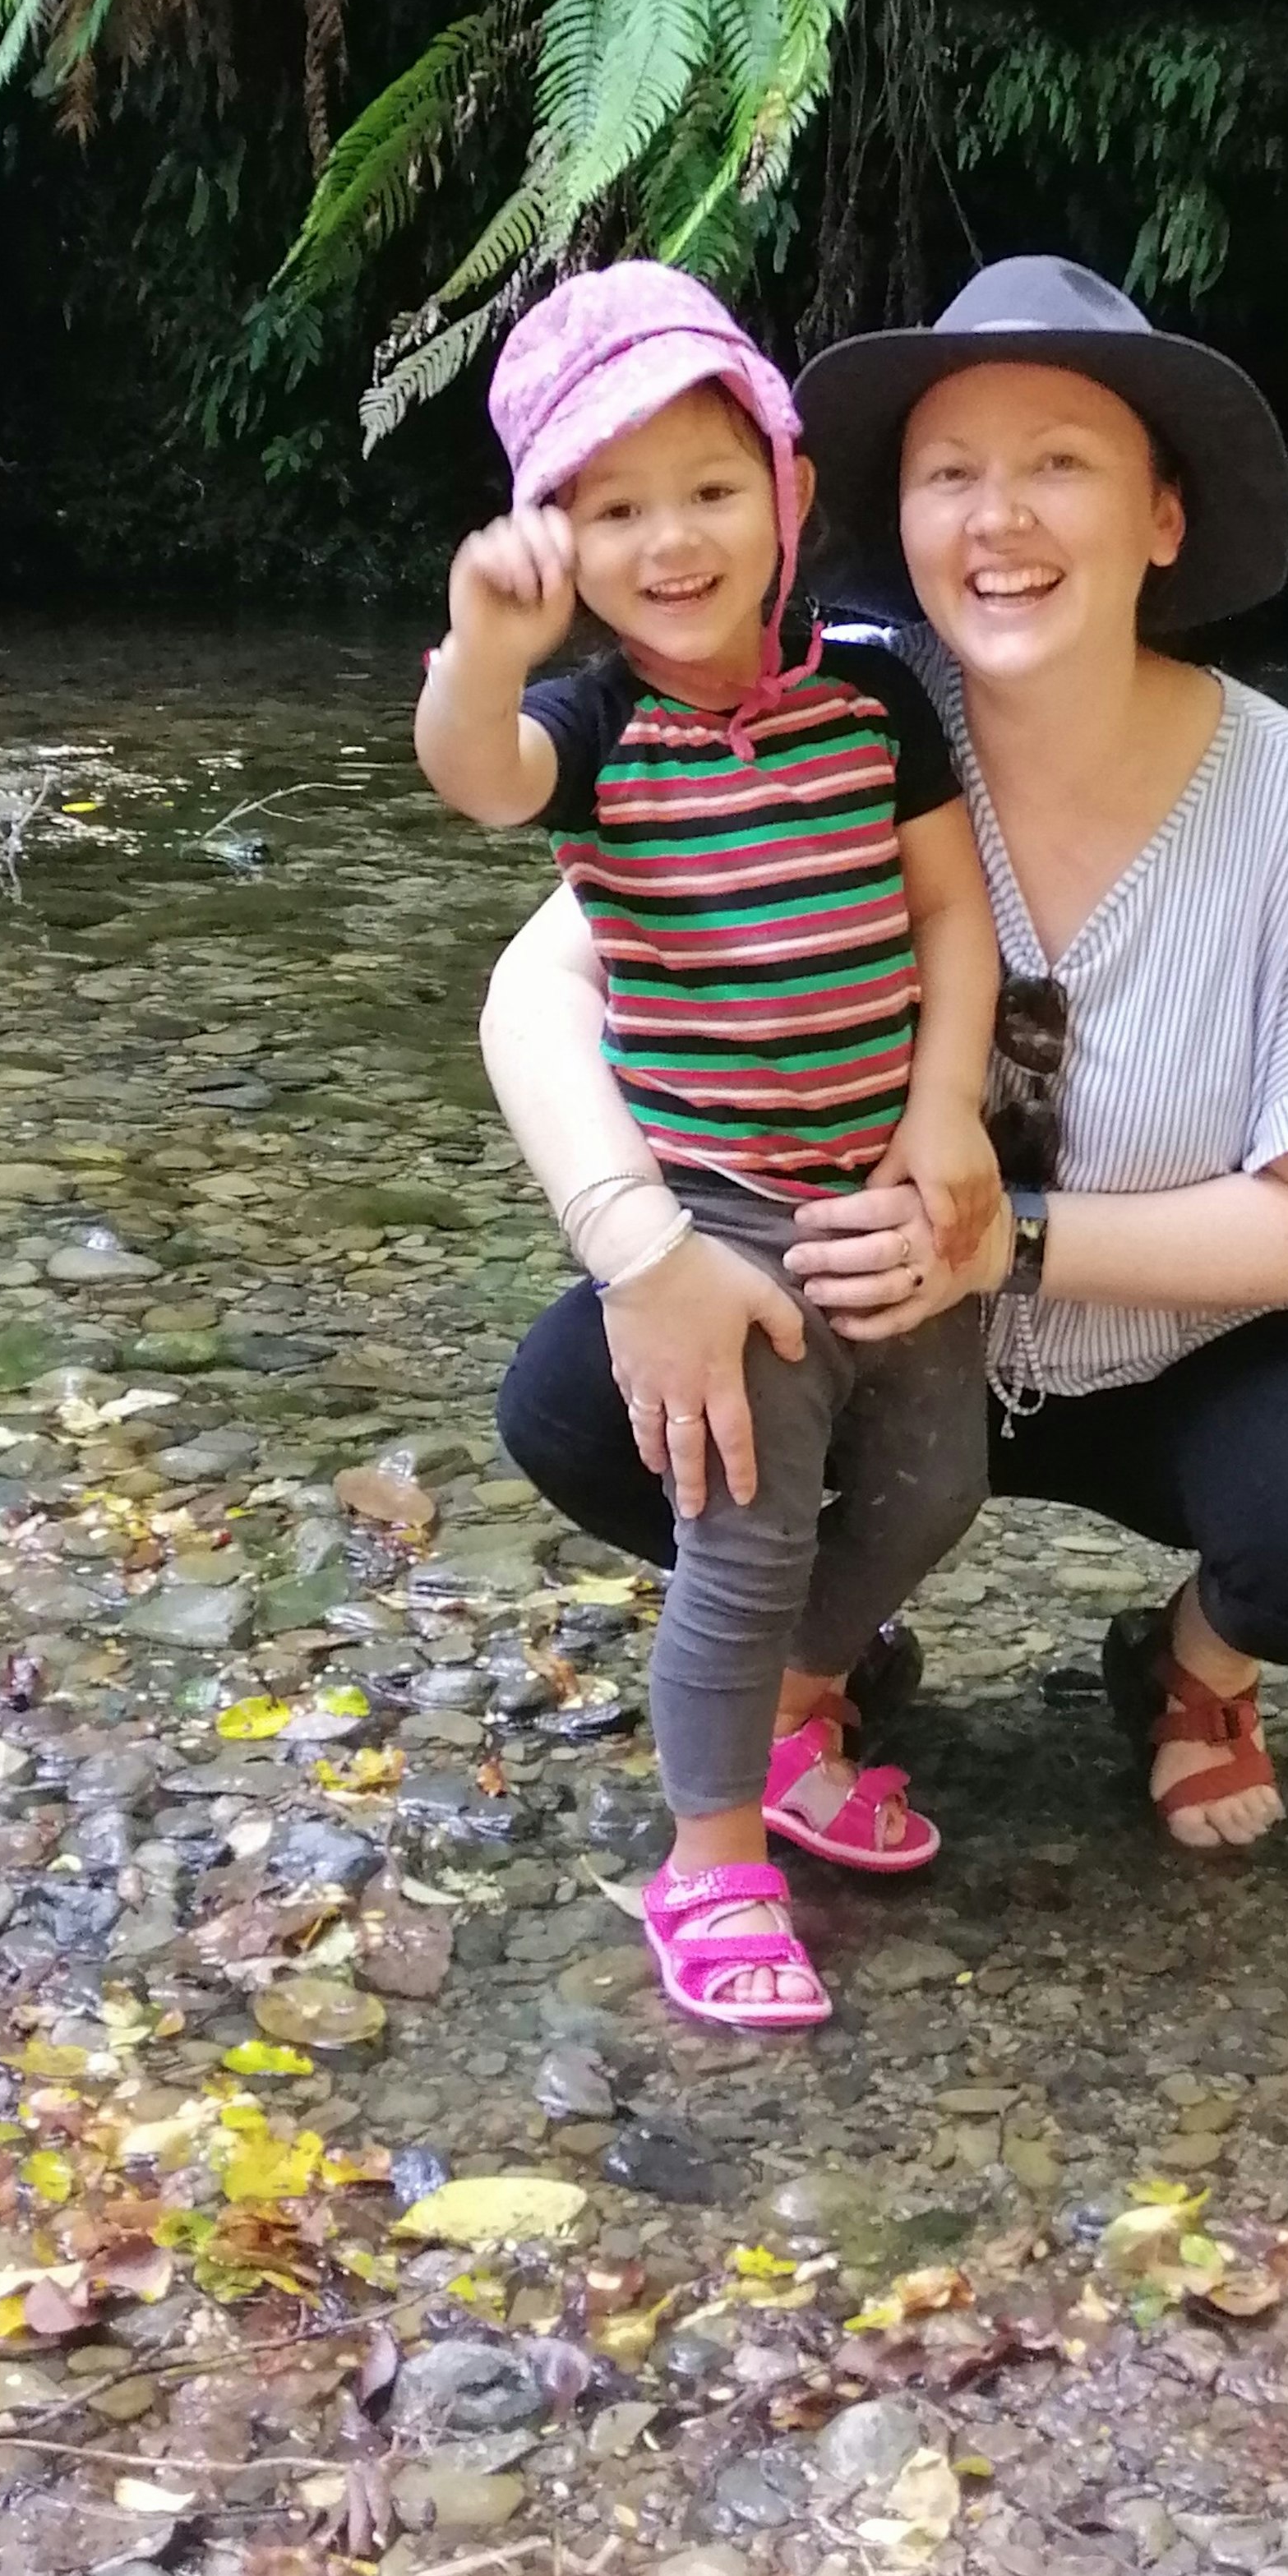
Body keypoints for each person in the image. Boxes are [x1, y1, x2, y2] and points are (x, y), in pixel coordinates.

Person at [489, 256, 1288, 1853]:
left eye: (1059, 465)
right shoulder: (841, 713)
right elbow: (531, 994)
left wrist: (1006, 1241)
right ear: (895, 518)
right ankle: (837, 1631)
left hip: (1188, 1354)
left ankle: (1191, 1664)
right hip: (871, 1328)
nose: (997, 516)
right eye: (952, 472)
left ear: (1163, 517)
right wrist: (639, 1248)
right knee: (580, 1392)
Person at [418, 264, 999, 2028]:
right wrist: (485, 647)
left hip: (889, 1187)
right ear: (555, 537)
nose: (671, 540)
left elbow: (951, 910)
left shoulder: (880, 698)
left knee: (936, 1485)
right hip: (723, 1206)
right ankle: (710, 1849)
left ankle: (808, 1712)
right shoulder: (593, 730)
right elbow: (476, 777)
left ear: (791, 492)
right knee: (740, 1533)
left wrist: (945, 1110)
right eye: (613, 505)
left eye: (711, 488)